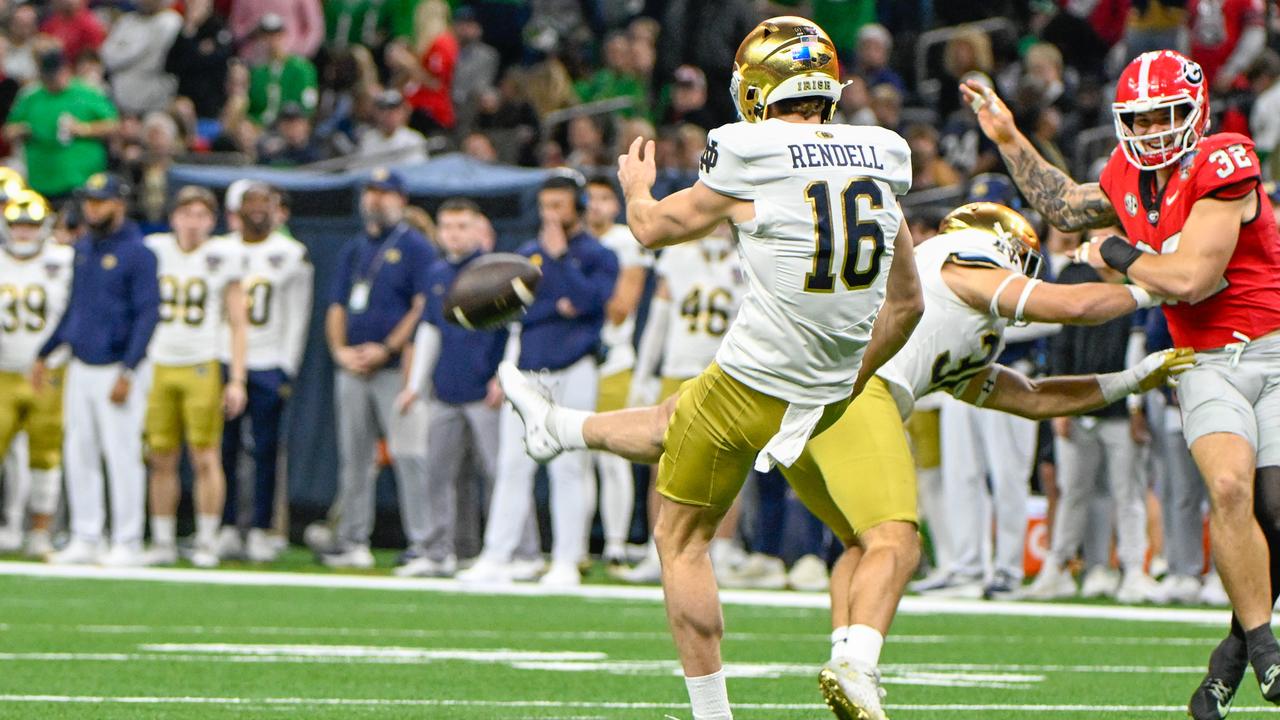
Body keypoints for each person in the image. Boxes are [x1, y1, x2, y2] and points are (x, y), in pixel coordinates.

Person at [499, 199, 1192, 719]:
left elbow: (1034, 396)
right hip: (856, 395)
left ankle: (561, 424)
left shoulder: (965, 330)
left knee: (702, 437)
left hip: (813, 389)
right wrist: (1155, 286)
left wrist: (1133, 378)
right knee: (896, 540)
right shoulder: (961, 266)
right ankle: (859, 663)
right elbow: (1069, 306)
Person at [505, 17, 926, 720]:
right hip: (829, 394)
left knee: (682, 537)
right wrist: (847, 381)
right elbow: (907, 304)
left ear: (759, 90)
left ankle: (712, 714)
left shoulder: (748, 151)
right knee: (696, 428)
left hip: (752, 383)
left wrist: (636, 185)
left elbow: (650, 229)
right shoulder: (882, 157)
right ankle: (560, 427)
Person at [962, 49, 1280, 719]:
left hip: (1275, 350)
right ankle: (1262, 647)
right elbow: (1061, 201)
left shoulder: (1225, 159)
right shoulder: (1124, 176)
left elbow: (1191, 278)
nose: (1155, 129)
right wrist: (1009, 137)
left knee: (1276, 512)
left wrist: (1116, 254)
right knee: (1227, 486)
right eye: (1141, 117)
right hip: (1202, 358)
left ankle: (1229, 653)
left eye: (1166, 114)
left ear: (1193, 112)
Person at [456, 172, 618, 588]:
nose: (551, 215)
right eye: (546, 206)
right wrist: (559, 304)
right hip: (529, 373)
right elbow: (525, 315)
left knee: (569, 467)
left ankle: (567, 558)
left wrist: (562, 263)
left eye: (559, 206)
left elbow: (588, 303)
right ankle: (497, 555)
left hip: (574, 369)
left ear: (579, 207)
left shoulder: (599, 254)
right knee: (513, 465)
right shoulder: (526, 256)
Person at [393, 198, 537, 577]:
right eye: (447, 226)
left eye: (462, 226)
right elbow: (429, 330)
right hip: (446, 388)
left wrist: (504, 376)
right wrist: (414, 384)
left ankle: (523, 553)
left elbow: (516, 331)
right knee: (437, 473)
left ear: (478, 230)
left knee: (501, 473)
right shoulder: (435, 272)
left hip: (487, 391)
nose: (453, 234)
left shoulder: (496, 271)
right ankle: (439, 552)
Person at [35, 173, 159, 566]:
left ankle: (128, 539)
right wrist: (45, 351)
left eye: (100, 201)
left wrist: (128, 369)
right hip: (81, 365)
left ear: (119, 204)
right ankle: (86, 534)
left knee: (121, 454)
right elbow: (76, 307)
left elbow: (147, 314)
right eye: (89, 200)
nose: (91, 208)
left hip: (117, 366)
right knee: (79, 451)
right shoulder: (84, 247)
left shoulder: (139, 252)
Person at [619, 225, 745, 584]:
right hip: (677, 372)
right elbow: (658, 323)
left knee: (726, 466)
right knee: (662, 465)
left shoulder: (745, 260)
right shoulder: (677, 258)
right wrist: (644, 376)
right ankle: (653, 550)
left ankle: (721, 549)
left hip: (722, 375)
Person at [321, 168, 432, 569]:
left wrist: (387, 348)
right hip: (353, 367)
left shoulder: (416, 247)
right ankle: (352, 540)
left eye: (384, 194)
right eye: (371, 192)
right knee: (354, 456)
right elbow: (335, 305)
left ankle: (423, 541)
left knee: (408, 453)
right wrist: (339, 351)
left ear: (401, 200)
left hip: (392, 369)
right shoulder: (354, 248)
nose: (376, 200)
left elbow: (422, 307)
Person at [142, 186, 249, 568]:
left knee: (205, 456)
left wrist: (236, 378)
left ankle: (206, 540)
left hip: (202, 362)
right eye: (186, 213)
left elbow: (239, 322)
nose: (192, 222)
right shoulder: (154, 249)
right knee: (160, 456)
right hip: (158, 361)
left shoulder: (225, 255)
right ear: (173, 217)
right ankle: (163, 540)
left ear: (213, 220)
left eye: (201, 215)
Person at [217, 183, 312, 562]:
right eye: (250, 203)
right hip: (225, 358)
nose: (257, 210)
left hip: (269, 360)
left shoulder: (291, 254)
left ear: (276, 210)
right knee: (221, 449)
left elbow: (297, 314)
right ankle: (223, 526)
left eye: (264, 203)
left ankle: (259, 528)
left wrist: (286, 366)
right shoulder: (220, 250)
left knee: (266, 450)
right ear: (237, 210)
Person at [0, 190, 73, 558]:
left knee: (45, 455)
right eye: (17, 225)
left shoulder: (64, 260)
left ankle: (40, 531)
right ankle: (11, 526)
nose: (23, 233)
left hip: (49, 373)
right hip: (4, 372)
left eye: (30, 225)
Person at [584, 176, 650, 566]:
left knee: (612, 456)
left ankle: (615, 543)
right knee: (575, 460)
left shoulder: (624, 242)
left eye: (604, 198)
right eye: (589, 198)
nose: (596, 205)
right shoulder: (569, 246)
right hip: (572, 359)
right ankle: (574, 544)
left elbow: (621, 307)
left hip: (613, 360)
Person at [3, 48, 118, 202]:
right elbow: (8, 130)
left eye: (56, 75)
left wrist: (84, 129)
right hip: (41, 179)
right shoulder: (31, 97)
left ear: (66, 71)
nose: (53, 81)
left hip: (81, 179)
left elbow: (114, 125)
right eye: (48, 77)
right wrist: (21, 130)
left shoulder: (87, 92)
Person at [100, 0, 183, 116]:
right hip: (118, 98)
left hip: (153, 101)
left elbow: (155, 62)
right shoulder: (127, 20)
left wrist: (125, 48)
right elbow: (107, 56)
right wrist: (136, 49)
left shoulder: (170, 22)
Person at [247, 13, 319, 127]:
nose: (271, 40)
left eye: (275, 34)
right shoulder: (258, 72)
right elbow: (252, 107)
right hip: (258, 126)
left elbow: (307, 105)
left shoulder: (301, 69)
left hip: (289, 126)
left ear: (283, 35)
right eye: (266, 35)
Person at [354, 89, 429, 166]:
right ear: (376, 113)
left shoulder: (413, 139)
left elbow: (417, 168)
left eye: (394, 110)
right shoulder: (368, 140)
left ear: (403, 112)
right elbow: (361, 169)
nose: (389, 115)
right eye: (383, 110)